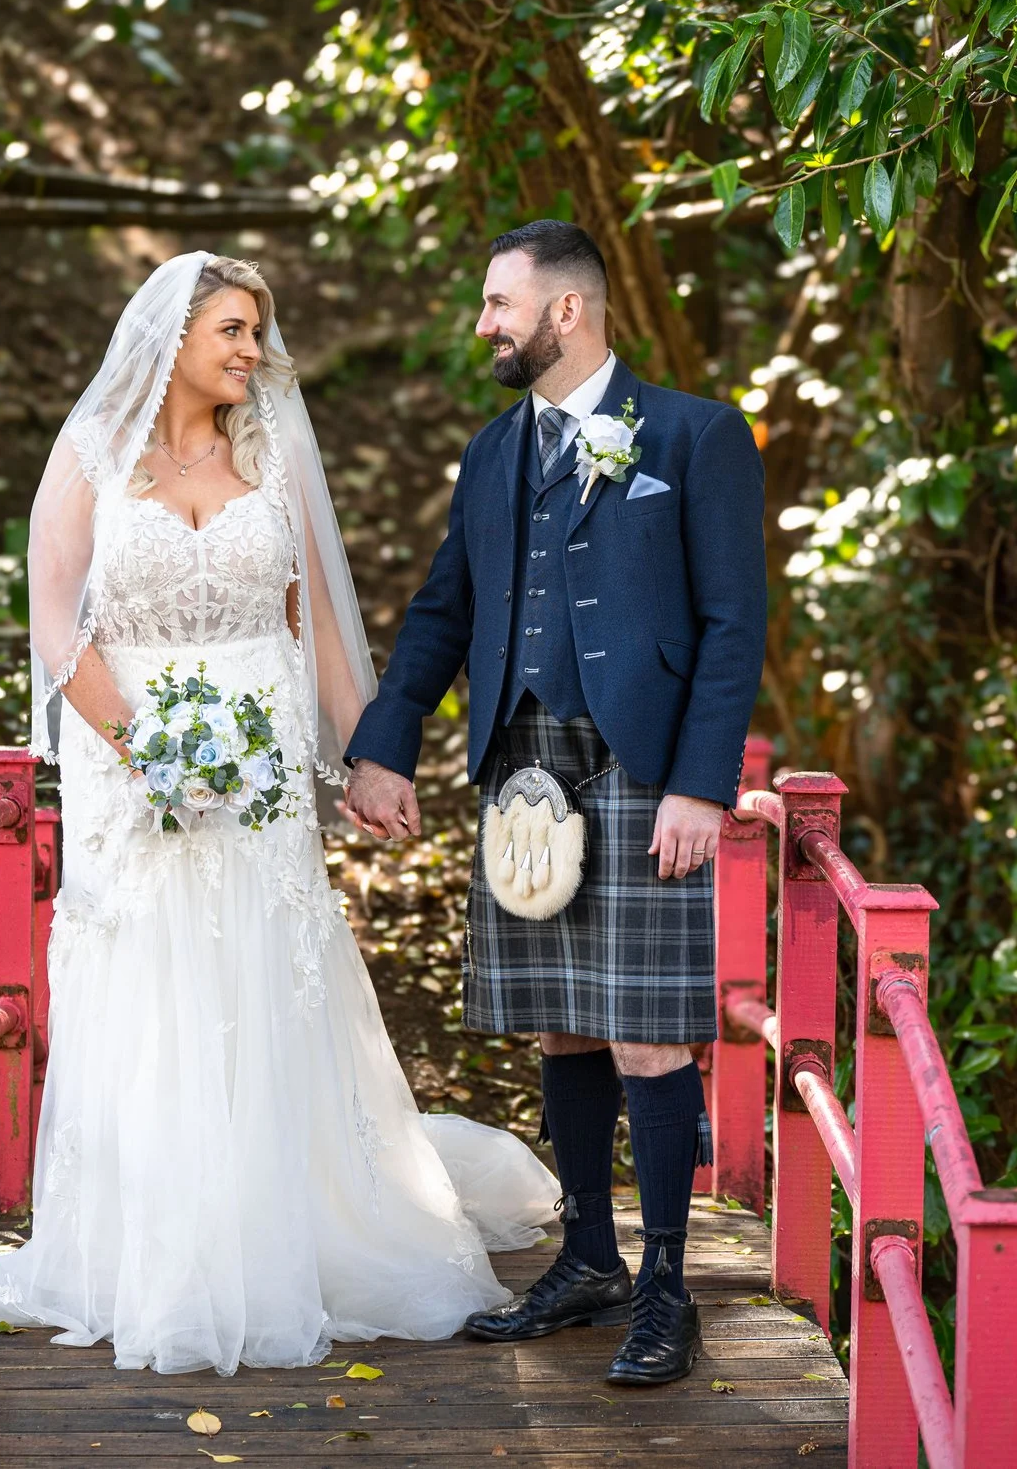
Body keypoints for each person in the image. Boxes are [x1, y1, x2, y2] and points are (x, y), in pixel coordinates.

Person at [0, 252, 559, 1378]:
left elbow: (322, 633)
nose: (251, 350)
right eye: (233, 330)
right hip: (129, 762)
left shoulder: (273, 451)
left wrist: (370, 757)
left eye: (258, 332)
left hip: (263, 766)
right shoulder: (89, 452)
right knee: (151, 984)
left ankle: (289, 1229)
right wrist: (147, 748)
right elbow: (57, 628)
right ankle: (152, 1250)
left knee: (256, 975)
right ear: (172, 335)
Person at [343, 220, 766, 1386]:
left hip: (640, 771)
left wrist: (698, 785)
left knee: (645, 1028)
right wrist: (386, 747)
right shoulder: (492, 451)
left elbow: (734, 626)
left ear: (564, 311)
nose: (482, 323)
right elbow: (440, 613)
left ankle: (667, 1285)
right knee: (564, 1020)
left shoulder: (694, 433)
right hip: (519, 764)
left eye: (496, 302)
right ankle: (586, 1255)